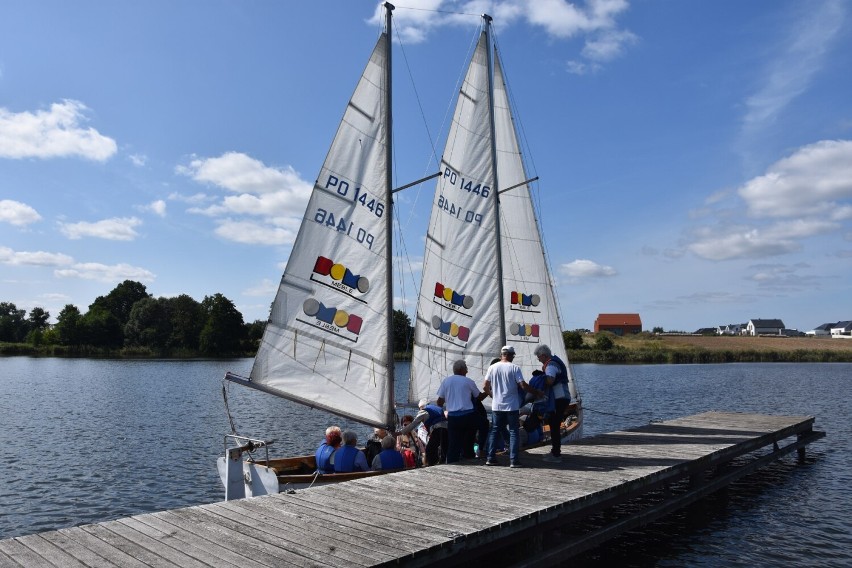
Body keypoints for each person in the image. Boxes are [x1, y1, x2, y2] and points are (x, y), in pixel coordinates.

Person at [482, 345, 544, 467]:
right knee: (514, 432)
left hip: (497, 406)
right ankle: (514, 460)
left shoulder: (492, 368)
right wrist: (536, 392)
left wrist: (492, 395)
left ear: (501, 355)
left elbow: (485, 386)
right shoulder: (514, 368)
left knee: (495, 431)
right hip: (512, 406)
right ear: (511, 355)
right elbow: (523, 385)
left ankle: (490, 458)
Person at [436, 359, 484, 463]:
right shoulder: (468, 381)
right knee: (483, 426)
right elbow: (479, 397)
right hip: (468, 416)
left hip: (453, 417)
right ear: (461, 370)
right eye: (466, 369)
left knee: (453, 443)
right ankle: (477, 453)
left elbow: (439, 402)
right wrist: (489, 391)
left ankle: (451, 463)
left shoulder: (446, 381)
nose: (467, 371)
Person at [534, 344, 571, 463]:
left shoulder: (551, 364)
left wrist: (539, 377)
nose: (538, 359)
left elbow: (550, 380)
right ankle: (555, 451)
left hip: (559, 398)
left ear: (544, 355)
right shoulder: (555, 361)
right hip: (563, 397)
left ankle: (556, 455)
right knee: (554, 424)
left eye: (539, 357)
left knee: (554, 426)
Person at [397, 399, 448, 465]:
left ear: (421, 407)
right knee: (444, 449)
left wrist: (400, 433)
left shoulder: (424, 411)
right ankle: (443, 463)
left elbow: (413, 424)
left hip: (438, 429)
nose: (419, 410)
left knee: (430, 450)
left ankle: (432, 466)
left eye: (419, 408)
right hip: (447, 429)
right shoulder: (438, 408)